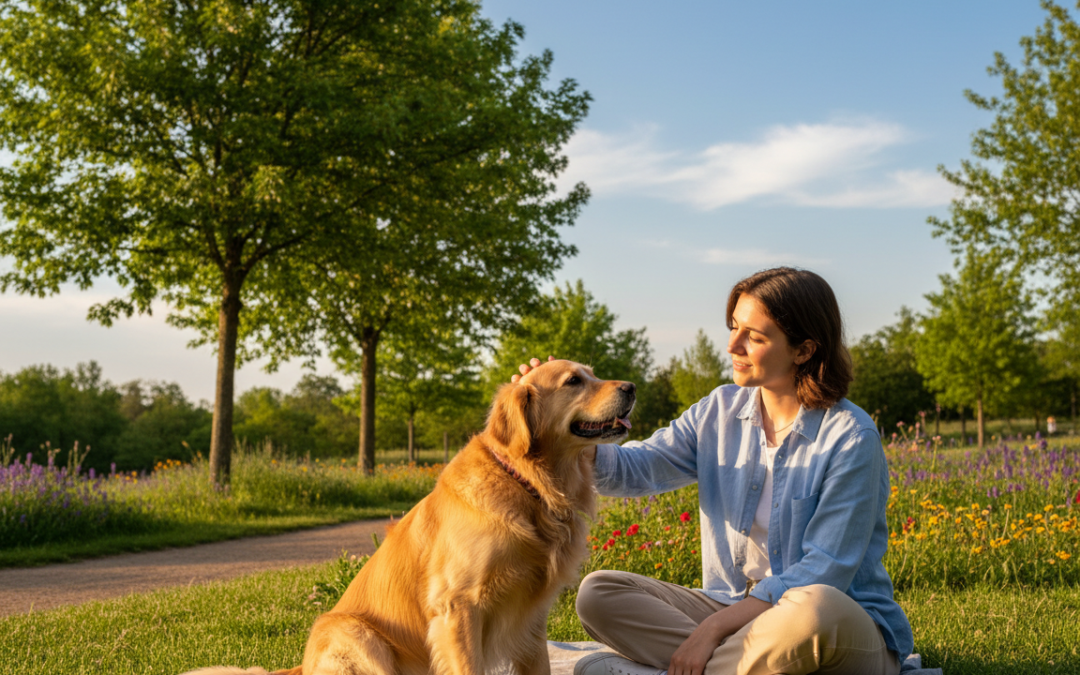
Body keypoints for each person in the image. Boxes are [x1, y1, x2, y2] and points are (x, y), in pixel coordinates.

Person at [514, 268, 913, 675]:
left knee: (814, 609)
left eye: (754, 337)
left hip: (832, 623)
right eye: (734, 327)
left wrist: (708, 632)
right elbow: (638, 469)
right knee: (599, 593)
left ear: (803, 350)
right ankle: (742, 666)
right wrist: (558, 418)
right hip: (732, 605)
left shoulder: (850, 437)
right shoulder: (718, 411)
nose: (732, 345)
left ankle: (703, 662)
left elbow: (824, 570)